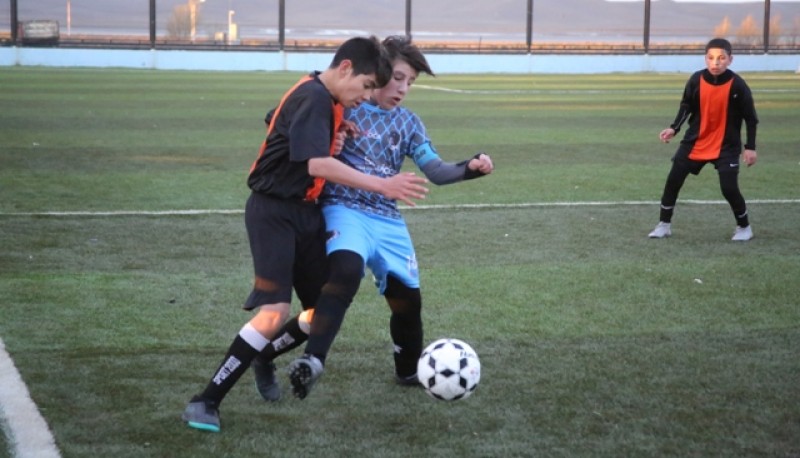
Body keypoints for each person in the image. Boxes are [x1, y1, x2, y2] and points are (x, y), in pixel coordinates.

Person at [181, 36, 429, 433]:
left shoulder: (325, 97)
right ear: (345, 68)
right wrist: (380, 184)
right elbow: (317, 165)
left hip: (306, 213)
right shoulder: (315, 97)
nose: (367, 96)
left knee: (320, 314)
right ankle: (205, 400)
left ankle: (265, 356)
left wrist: (333, 126)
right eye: (366, 86)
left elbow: (274, 116)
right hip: (274, 212)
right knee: (275, 311)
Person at [248, 35, 494, 401]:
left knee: (407, 300)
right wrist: (332, 137)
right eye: (398, 77)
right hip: (342, 208)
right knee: (345, 272)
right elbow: (281, 118)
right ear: (377, 72)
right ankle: (313, 361)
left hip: (388, 218)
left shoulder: (410, 124)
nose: (403, 88)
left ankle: (409, 370)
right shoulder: (343, 102)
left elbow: (436, 171)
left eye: (411, 82)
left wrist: (470, 168)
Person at [648, 37, 758, 241]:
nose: (716, 62)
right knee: (673, 181)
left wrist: (750, 147)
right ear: (705, 59)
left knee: (729, 188)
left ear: (730, 60)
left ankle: (744, 228)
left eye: (721, 58)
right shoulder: (696, 80)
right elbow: (686, 106)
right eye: (711, 58)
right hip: (695, 142)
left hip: (726, 146)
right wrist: (674, 128)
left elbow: (751, 118)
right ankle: (664, 225)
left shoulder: (738, 85)